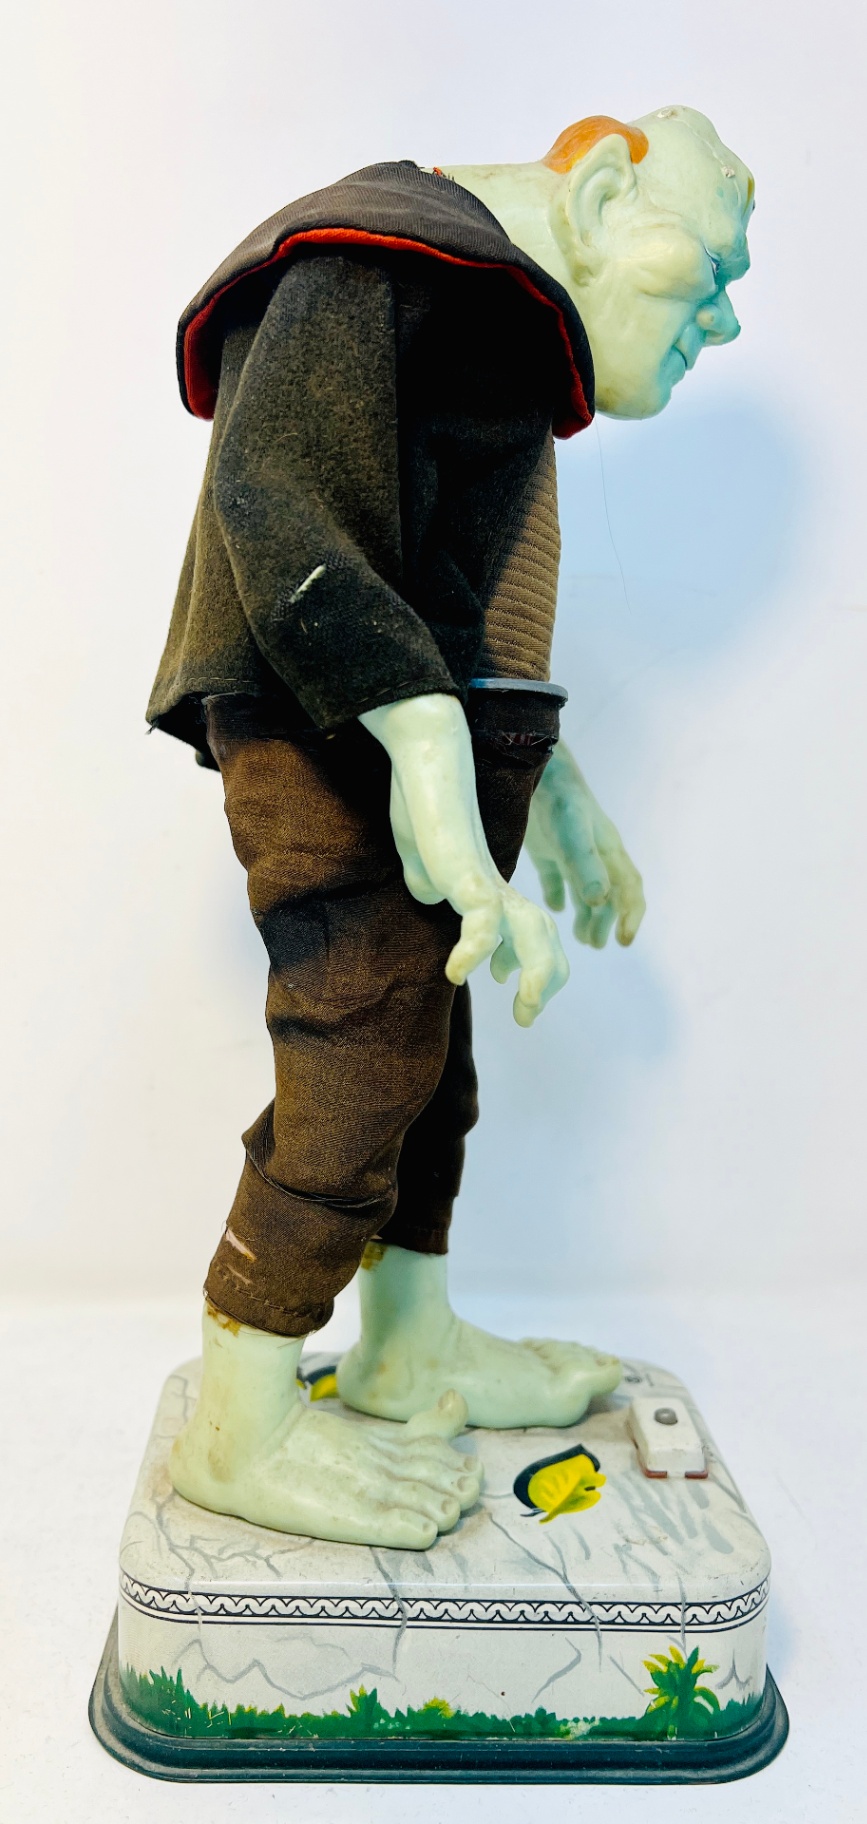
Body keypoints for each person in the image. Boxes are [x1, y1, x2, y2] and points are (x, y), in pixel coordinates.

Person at [150, 107, 753, 1546]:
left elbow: (460, 603)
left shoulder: (493, 319)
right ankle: (243, 1413)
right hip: (316, 721)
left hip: (402, 735)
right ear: (598, 197)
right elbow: (274, 497)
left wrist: (558, 792)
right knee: (359, 1049)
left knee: (430, 1060)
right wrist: (424, 745)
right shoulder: (368, 259)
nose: (724, 322)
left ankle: (406, 1346)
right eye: (710, 270)